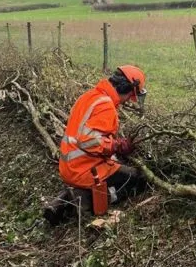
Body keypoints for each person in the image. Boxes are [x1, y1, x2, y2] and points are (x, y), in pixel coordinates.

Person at [43, 65, 150, 225]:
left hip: (70, 166)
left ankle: (66, 198)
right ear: (129, 91)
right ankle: (88, 201)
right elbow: (88, 140)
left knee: (117, 168)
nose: (129, 100)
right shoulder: (106, 106)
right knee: (138, 180)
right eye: (131, 96)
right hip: (85, 169)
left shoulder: (90, 96)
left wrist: (113, 145)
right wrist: (116, 146)